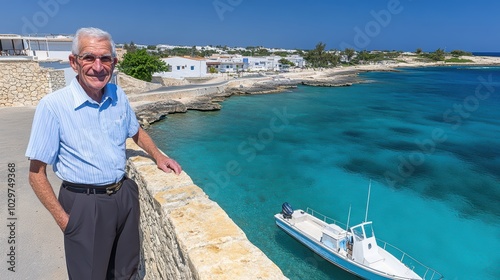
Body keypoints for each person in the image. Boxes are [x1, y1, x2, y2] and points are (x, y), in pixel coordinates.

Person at [25, 27, 182, 280]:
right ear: (74, 62)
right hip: (84, 203)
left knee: (126, 272)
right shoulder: (53, 106)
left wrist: (158, 156)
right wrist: (66, 222)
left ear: (114, 62)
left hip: (124, 196)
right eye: (89, 57)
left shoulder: (118, 95)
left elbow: (136, 131)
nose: (98, 67)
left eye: (105, 58)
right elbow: (36, 174)